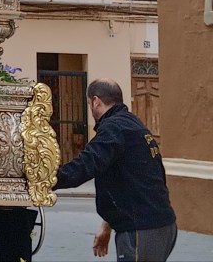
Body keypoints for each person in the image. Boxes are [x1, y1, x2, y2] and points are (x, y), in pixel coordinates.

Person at [55, 78, 176, 261]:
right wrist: (107, 225)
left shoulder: (114, 128)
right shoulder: (132, 123)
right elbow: (132, 180)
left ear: (95, 101)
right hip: (159, 224)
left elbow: (86, 164)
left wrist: (46, 178)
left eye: (89, 103)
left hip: (141, 228)